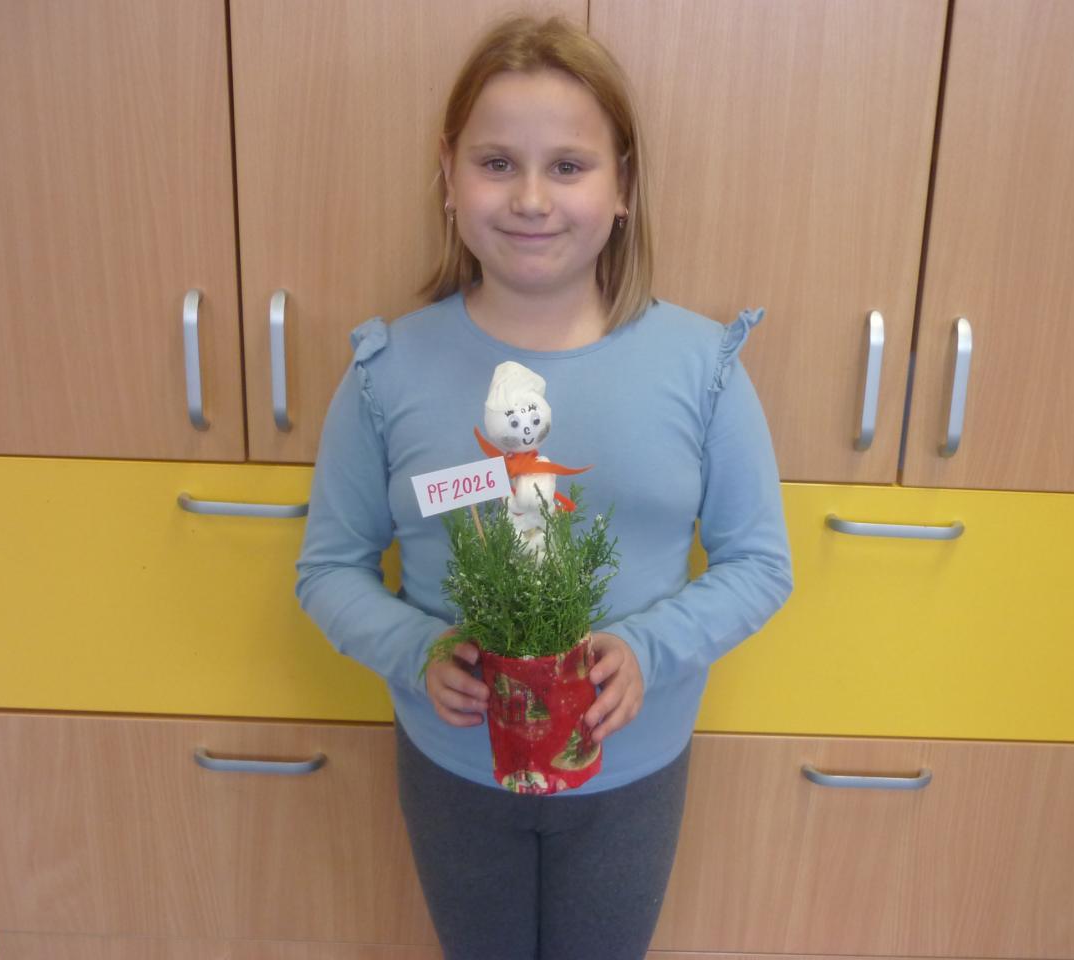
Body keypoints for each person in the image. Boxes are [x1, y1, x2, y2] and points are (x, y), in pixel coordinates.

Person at [296, 14, 792, 960]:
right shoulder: (387, 371)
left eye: (568, 165)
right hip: (455, 768)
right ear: (449, 178)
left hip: (630, 774)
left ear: (623, 186)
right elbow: (328, 569)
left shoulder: (702, 367)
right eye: (497, 163)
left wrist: (646, 649)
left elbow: (760, 564)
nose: (531, 198)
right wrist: (417, 650)